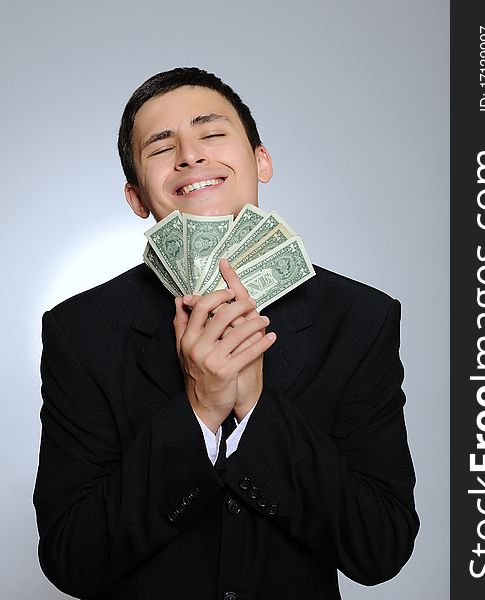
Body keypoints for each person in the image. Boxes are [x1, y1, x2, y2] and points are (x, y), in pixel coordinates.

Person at [34, 67, 419, 600]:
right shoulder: (81, 331)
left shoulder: (359, 319)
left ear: (261, 160)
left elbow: (381, 545)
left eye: (211, 133)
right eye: (161, 147)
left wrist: (258, 410)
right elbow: (70, 558)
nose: (191, 155)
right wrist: (199, 412)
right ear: (136, 197)